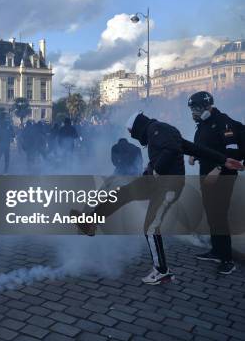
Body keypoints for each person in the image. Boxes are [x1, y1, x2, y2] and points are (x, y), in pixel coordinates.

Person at [71, 112, 243, 285]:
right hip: (157, 184)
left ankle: (162, 272)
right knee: (123, 193)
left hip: (167, 187)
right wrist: (223, 159)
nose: (135, 137)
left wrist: (155, 170)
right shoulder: (163, 131)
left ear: (137, 128)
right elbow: (192, 148)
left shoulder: (156, 129)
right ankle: (91, 222)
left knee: (151, 227)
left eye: (132, 133)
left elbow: (172, 150)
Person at [187, 91, 244, 275]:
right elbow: (205, 147)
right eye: (192, 109)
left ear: (206, 107)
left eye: (195, 108)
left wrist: (218, 169)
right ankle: (216, 251)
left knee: (219, 215)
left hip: (223, 177)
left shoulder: (223, 123)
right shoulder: (203, 124)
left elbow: (233, 155)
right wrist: (195, 156)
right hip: (207, 177)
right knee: (211, 213)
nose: (193, 112)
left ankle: (227, 259)